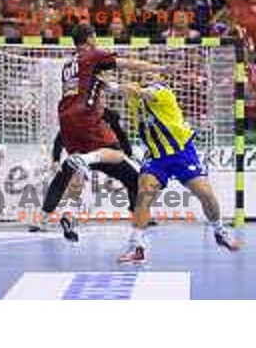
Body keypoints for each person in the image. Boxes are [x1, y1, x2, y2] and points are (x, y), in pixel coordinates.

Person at [40, 24, 168, 241]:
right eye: (95, 37)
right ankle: (138, 226)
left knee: (79, 176)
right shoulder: (92, 55)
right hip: (85, 117)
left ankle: (68, 215)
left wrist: (131, 90)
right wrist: (159, 69)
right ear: (90, 38)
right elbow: (127, 63)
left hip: (66, 120)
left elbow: (108, 86)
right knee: (120, 158)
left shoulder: (70, 65)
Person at [114, 73, 241, 263]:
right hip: (156, 156)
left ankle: (219, 231)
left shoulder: (162, 92)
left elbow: (144, 92)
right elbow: (115, 89)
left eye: (154, 75)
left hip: (181, 153)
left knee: (205, 194)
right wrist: (100, 82)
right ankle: (137, 248)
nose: (149, 76)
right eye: (145, 75)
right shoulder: (135, 98)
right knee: (144, 194)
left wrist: (127, 87)